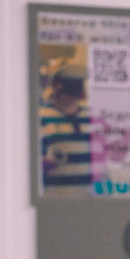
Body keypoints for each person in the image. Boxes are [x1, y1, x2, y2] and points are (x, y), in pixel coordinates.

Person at [37, 57, 94, 191]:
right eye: (71, 81)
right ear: (57, 84)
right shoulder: (41, 117)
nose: (76, 86)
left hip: (89, 203)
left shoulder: (91, 118)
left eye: (79, 81)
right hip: (55, 201)